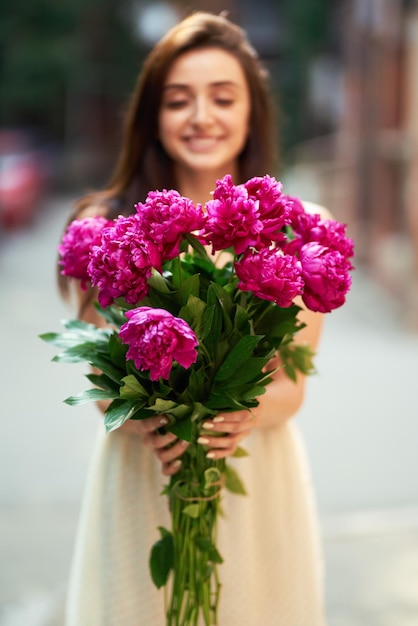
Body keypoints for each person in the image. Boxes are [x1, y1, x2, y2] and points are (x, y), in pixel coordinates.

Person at [60, 11, 328, 626]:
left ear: (251, 112)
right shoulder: (107, 225)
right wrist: (145, 424)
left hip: (255, 473)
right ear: (153, 115)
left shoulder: (296, 229)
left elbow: (292, 385)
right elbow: (100, 375)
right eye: (179, 99)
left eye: (222, 97)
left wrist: (235, 420)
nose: (201, 116)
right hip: (141, 467)